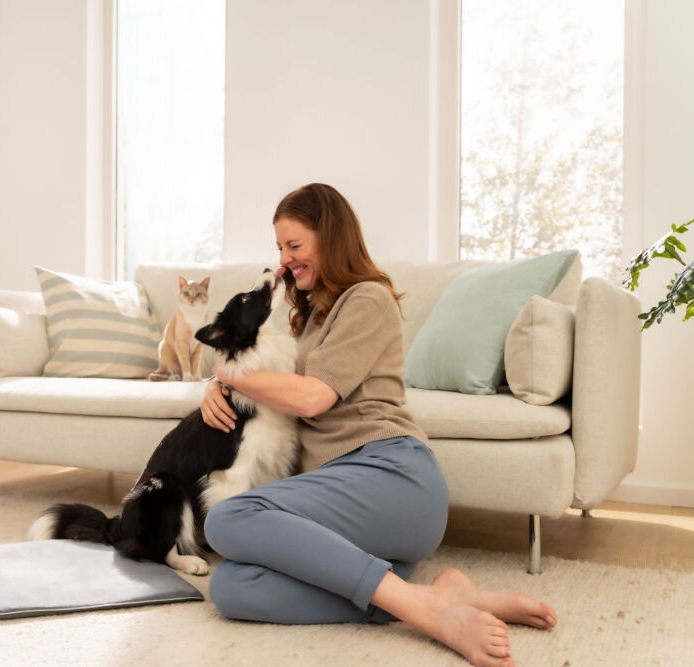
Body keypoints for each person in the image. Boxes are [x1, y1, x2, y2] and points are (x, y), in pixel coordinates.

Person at [200, 183, 556, 667]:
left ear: (330, 237)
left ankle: (427, 612)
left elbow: (313, 396)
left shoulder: (367, 299)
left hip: (392, 477)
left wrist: (225, 372)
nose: (283, 261)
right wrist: (216, 384)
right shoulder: (311, 318)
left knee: (227, 517)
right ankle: (428, 595)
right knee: (233, 586)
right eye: (279, 248)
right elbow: (270, 380)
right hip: (343, 496)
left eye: (294, 245)